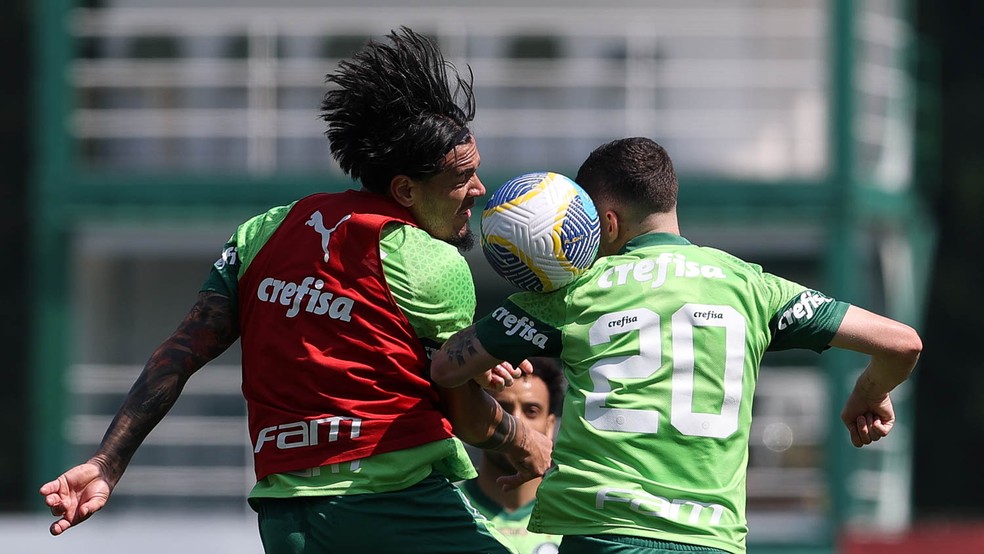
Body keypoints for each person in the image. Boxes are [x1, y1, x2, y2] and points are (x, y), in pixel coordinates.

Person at [40, 27, 552, 554]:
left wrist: (107, 461)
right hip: (391, 504)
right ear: (405, 190)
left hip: (287, 521)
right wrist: (522, 441)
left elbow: (180, 353)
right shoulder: (430, 261)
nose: (479, 189)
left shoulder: (263, 231)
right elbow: (465, 412)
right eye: (463, 175)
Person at [431, 137, 923, 554]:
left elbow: (445, 368)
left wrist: (488, 386)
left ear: (604, 223)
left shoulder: (574, 291)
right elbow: (901, 344)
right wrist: (870, 392)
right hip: (711, 539)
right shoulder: (753, 287)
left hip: (603, 535)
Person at [460, 357, 566, 554]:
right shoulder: (448, 505)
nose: (516, 422)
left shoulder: (574, 515)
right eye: (502, 409)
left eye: (531, 411)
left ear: (550, 425)